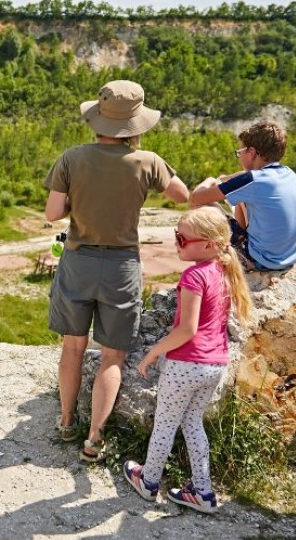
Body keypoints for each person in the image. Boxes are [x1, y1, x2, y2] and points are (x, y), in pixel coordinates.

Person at [43, 79, 189, 462]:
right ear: (136, 125)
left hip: (78, 261)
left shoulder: (72, 157)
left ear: (97, 118)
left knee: (72, 348)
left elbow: (52, 213)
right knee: (112, 357)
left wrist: (83, 198)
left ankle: (66, 421)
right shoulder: (148, 162)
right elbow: (182, 195)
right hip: (122, 266)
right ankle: (94, 438)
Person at [121, 207, 252, 514]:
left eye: (182, 238)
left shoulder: (194, 275)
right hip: (214, 364)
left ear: (207, 244)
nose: (177, 243)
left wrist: (154, 352)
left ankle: (149, 480)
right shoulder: (223, 271)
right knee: (193, 423)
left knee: (165, 423)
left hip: (186, 365)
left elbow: (187, 329)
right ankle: (203, 492)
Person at [189, 122, 296, 271]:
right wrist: (225, 179)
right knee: (241, 197)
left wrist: (211, 180)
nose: (239, 156)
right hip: (292, 255)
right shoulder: (288, 173)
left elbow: (195, 198)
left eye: (240, 152)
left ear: (251, 152)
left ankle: (222, 263)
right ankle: (241, 238)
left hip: (263, 261)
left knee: (200, 207)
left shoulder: (252, 180)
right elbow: (244, 178)